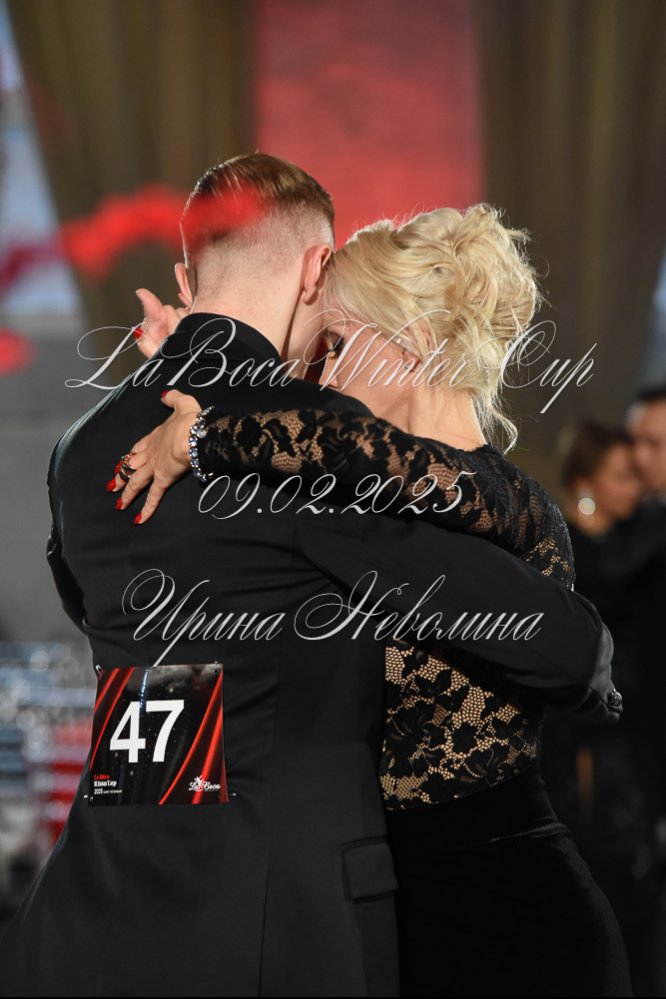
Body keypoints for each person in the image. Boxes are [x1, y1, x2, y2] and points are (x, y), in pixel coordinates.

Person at [0, 156, 619, 999]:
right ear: (314, 269)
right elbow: (557, 641)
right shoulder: (314, 445)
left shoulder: (87, 444)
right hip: (280, 928)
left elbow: (121, 635)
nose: (328, 358)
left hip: (97, 912)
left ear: (188, 272)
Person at [541, 420, 665, 994]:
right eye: (624, 475)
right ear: (585, 481)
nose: (636, 486)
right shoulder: (569, 547)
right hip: (586, 747)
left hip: (624, 738)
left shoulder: (624, 538)